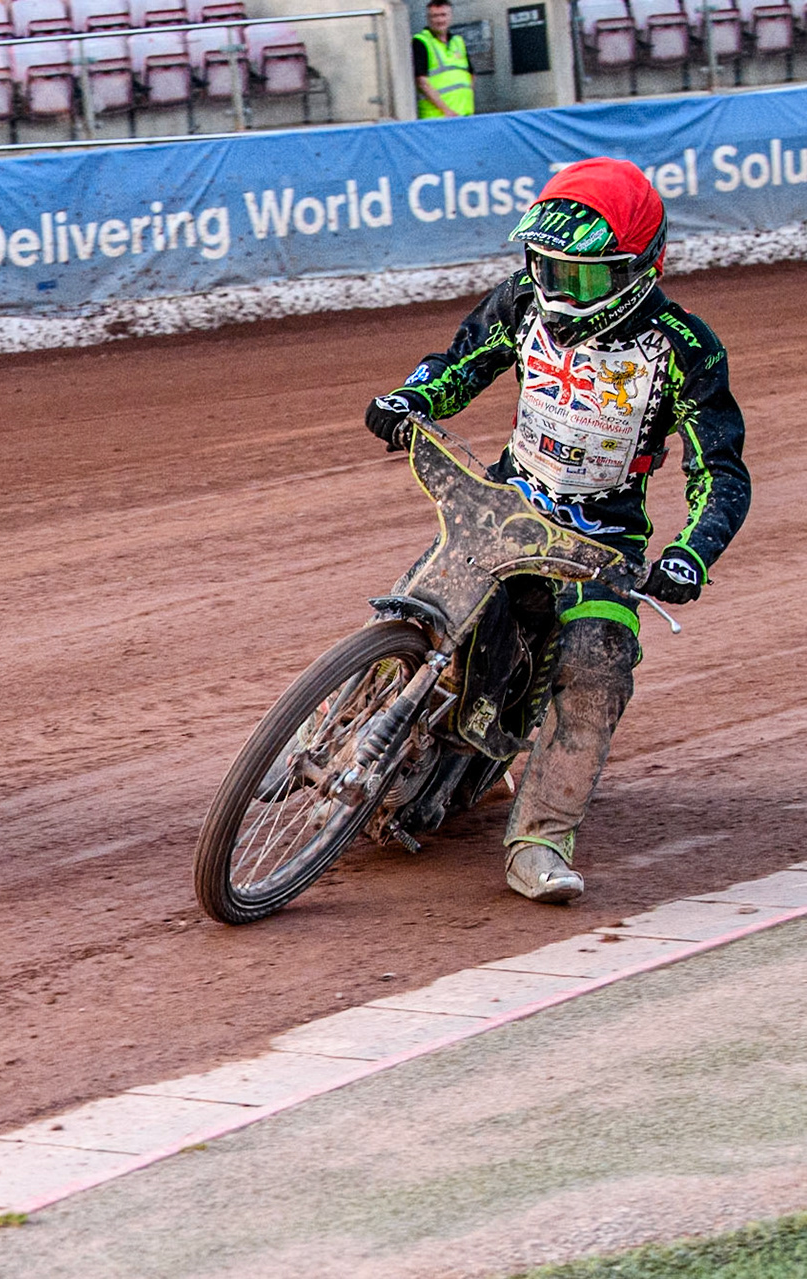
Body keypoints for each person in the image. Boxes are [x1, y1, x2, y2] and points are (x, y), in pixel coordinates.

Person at [365, 157, 750, 904]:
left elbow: (720, 473)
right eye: (546, 266)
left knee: (597, 661)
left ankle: (540, 836)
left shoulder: (684, 349)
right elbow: (460, 365)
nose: (556, 288)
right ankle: (338, 720)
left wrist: (689, 555)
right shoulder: (522, 304)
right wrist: (410, 398)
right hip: (505, 505)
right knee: (420, 603)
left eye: (582, 276)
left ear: (640, 268)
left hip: (602, 549)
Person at [413, 0, 473, 119]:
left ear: (450, 17)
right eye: (435, 16)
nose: (440, 20)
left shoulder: (458, 41)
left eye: (443, 15)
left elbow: (470, 74)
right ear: (428, 18)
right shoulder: (421, 41)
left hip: (464, 114)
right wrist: (446, 111)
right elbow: (421, 81)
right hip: (437, 117)